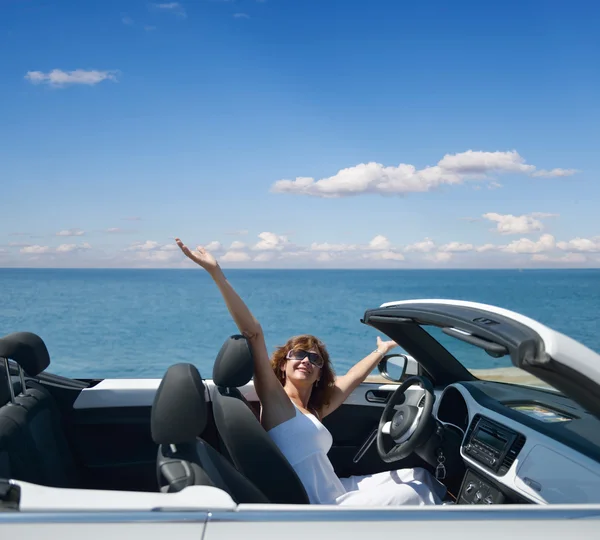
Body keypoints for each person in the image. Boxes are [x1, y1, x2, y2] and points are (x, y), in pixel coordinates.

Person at [175, 238, 446, 506]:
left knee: (417, 474)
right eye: (298, 354)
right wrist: (216, 274)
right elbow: (253, 333)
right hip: (323, 505)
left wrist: (381, 351)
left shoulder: (314, 409)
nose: (306, 360)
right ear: (283, 364)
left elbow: (351, 379)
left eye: (314, 359)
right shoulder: (276, 403)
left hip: (338, 490)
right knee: (415, 492)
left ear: (319, 374)